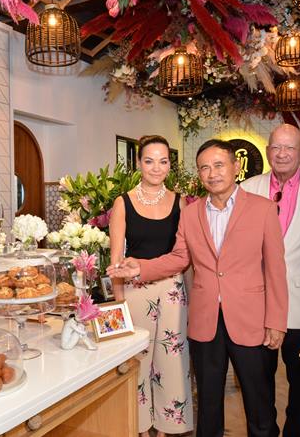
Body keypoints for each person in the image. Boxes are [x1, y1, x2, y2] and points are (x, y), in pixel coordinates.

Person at [109, 139, 289, 437]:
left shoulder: (263, 209)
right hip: (205, 321)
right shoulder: (191, 213)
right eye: (204, 167)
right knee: (207, 405)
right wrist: (140, 268)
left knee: (260, 405)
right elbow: (180, 258)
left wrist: (276, 321)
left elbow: (275, 269)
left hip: (251, 320)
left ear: (236, 167)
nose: (212, 173)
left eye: (219, 165)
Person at [241, 124, 300, 437]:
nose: (282, 154)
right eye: (276, 147)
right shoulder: (248, 187)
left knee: (299, 374)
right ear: (268, 150)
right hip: (257, 300)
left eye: (290, 148)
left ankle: (296, 430)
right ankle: (264, 429)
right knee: (260, 374)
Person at [109, 135, 193, 437]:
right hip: (134, 290)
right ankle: (140, 424)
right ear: (138, 163)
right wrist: (119, 304)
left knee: (172, 358)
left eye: (163, 161)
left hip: (172, 290)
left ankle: (170, 423)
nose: (156, 168)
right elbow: (116, 259)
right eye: (149, 160)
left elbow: (185, 255)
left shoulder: (180, 201)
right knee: (138, 359)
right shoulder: (123, 202)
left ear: (170, 164)